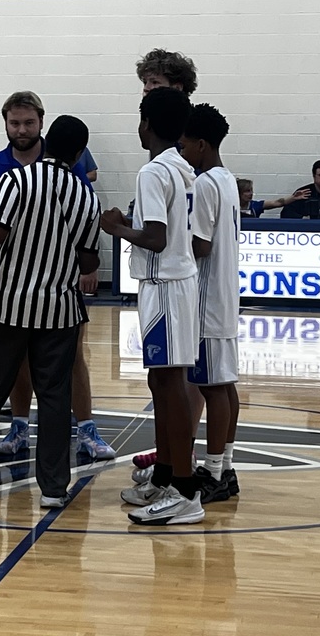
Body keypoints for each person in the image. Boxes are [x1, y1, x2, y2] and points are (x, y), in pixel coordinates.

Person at [0, 115, 101, 509]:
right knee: (55, 398)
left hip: (7, 307)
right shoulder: (86, 196)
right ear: (80, 153)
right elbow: (88, 262)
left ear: (46, 140)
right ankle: (53, 488)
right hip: (59, 312)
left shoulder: (15, 180)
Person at [0, 92, 116, 460]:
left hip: (58, 285)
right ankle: (19, 426)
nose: (21, 129)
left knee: (73, 359)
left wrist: (88, 270)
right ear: (5, 123)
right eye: (15, 123)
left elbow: (83, 218)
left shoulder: (66, 169)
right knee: (16, 361)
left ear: (41, 124)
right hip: (8, 284)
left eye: (29, 123)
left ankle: (86, 428)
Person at [100, 87, 205, 526]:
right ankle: (164, 475)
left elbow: (156, 239)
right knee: (161, 382)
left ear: (146, 123)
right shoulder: (183, 168)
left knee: (170, 384)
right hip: (179, 283)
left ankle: (184, 490)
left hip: (164, 286)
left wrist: (117, 228)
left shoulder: (154, 171)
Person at [180, 104, 243, 503]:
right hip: (225, 294)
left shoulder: (204, 183)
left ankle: (215, 471)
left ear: (201, 144)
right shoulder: (228, 179)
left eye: (185, 145)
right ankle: (226, 467)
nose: (182, 151)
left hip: (207, 300)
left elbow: (200, 246)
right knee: (224, 386)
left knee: (212, 388)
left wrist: (167, 239)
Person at [238, 178, 310, 218]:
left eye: (251, 190)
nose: (251, 193)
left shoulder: (255, 205)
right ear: (239, 192)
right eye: (247, 191)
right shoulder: (233, 207)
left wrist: (293, 198)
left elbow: (278, 202)